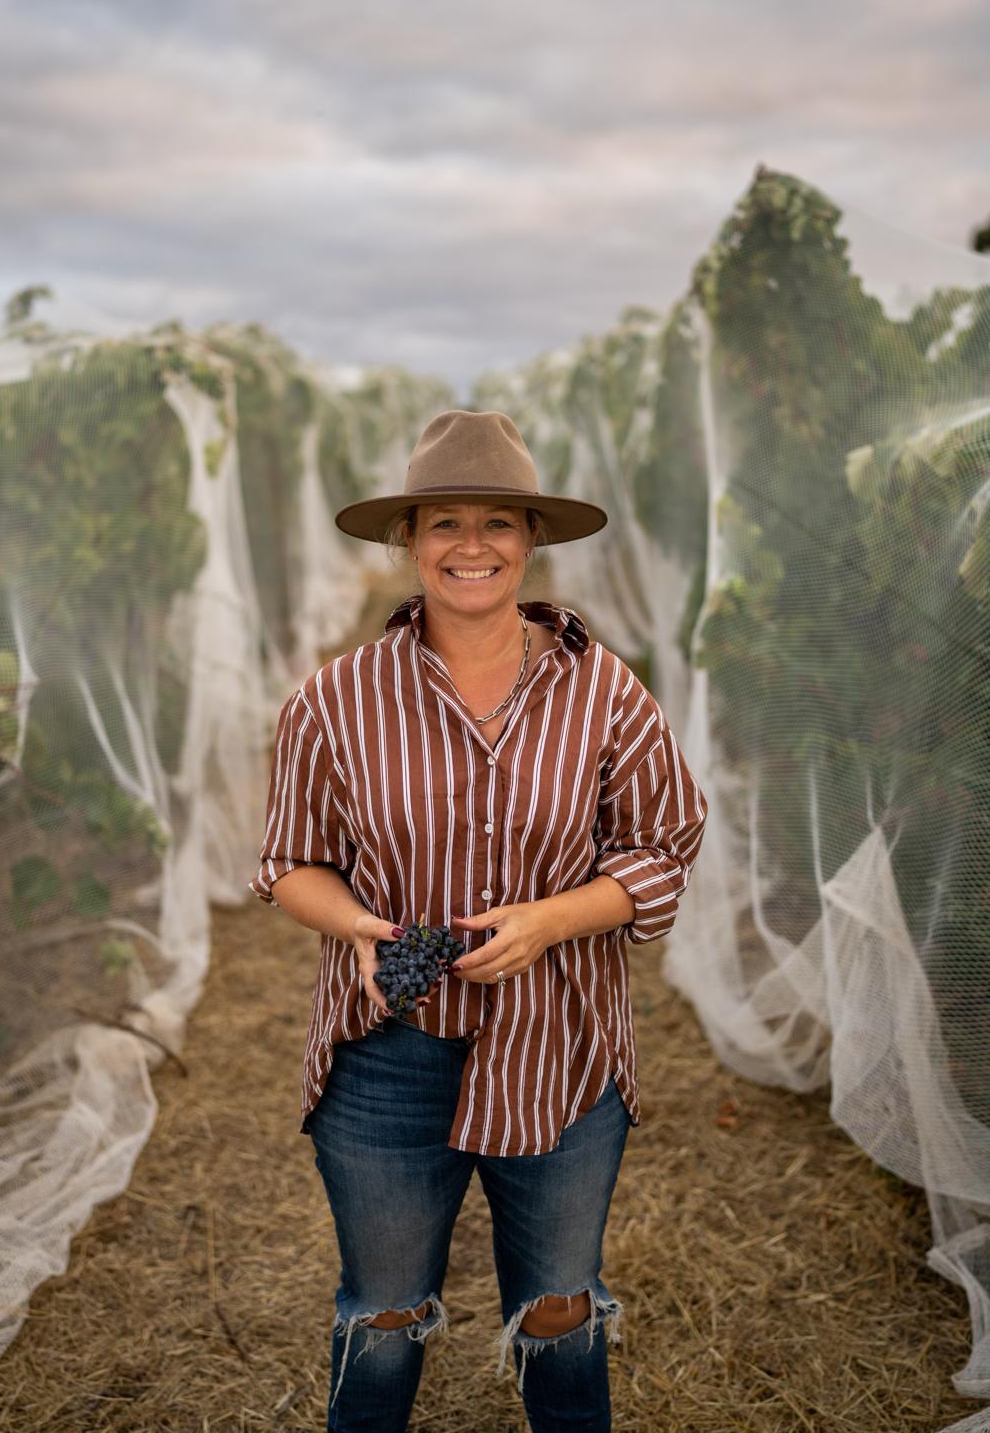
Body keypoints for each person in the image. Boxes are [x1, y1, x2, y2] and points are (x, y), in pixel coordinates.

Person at [249, 408, 708, 1433]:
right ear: (407, 539)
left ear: (530, 539)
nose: (471, 547)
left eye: (497, 522)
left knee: (557, 1309)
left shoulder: (603, 690)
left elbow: (663, 842)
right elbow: (289, 862)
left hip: (559, 1045)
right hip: (386, 1056)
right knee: (381, 1314)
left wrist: (551, 920)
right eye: (444, 522)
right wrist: (365, 931)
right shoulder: (335, 700)